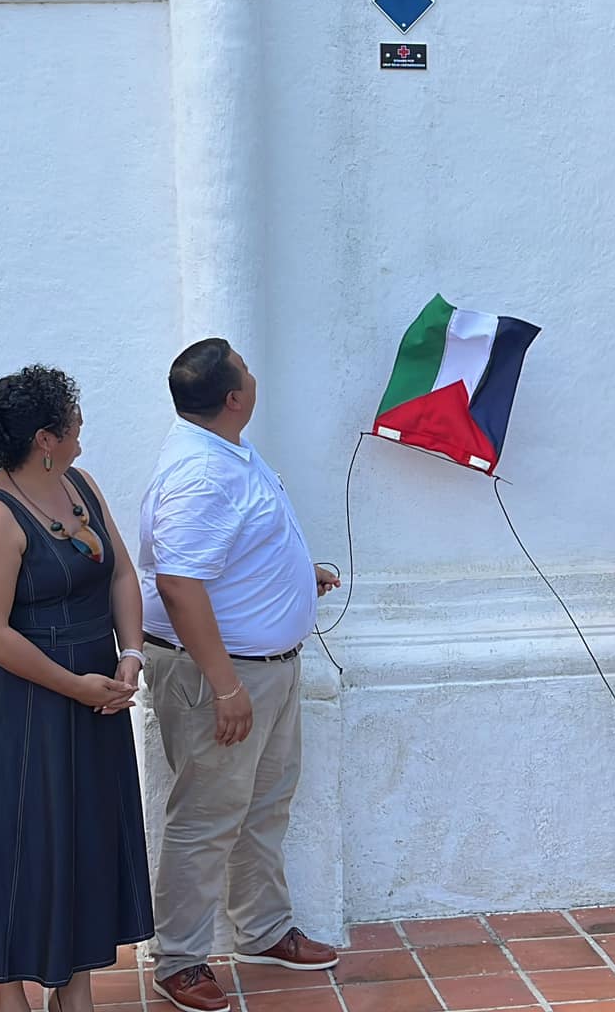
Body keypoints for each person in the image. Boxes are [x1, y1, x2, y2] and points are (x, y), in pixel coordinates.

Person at [140, 339, 342, 1012]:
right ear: (234, 397)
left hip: (267, 669)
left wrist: (290, 575)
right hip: (224, 679)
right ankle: (181, 959)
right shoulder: (202, 473)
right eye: (247, 370)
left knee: (264, 805)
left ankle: (261, 927)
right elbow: (177, 583)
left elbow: (225, 553)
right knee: (206, 816)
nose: (255, 375)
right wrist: (224, 684)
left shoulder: (227, 451)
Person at [0, 365, 154, 1012]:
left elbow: (120, 573)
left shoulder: (80, 485)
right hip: (26, 701)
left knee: (83, 838)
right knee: (25, 843)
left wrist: (130, 654)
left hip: (94, 688)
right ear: (46, 436)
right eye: (73, 416)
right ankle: (13, 989)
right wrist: (76, 686)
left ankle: (76, 988)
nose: (82, 424)